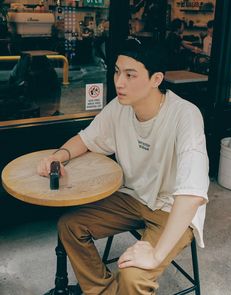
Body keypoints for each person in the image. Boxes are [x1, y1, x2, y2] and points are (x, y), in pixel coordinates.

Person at [37, 37, 209, 295]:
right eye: (117, 72)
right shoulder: (119, 107)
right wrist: (58, 156)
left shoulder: (185, 115)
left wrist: (155, 255)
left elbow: (192, 193)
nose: (119, 82)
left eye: (131, 75)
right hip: (133, 198)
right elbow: (86, 139)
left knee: (133, 277)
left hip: (172, 209)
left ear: (156, 79)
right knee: (70, 226)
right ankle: (103, 290)